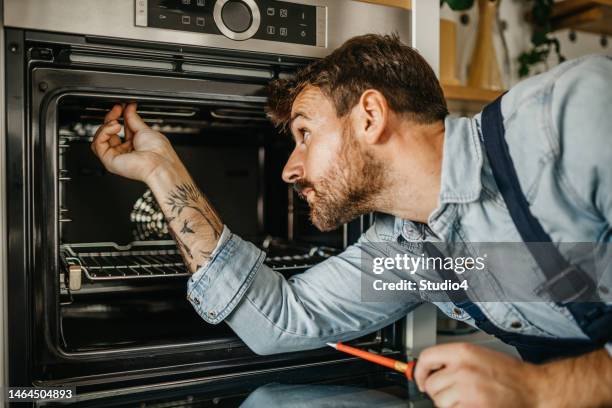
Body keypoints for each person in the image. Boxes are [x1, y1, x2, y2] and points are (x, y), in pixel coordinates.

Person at [91, 34, 612, 407]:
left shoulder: (568, 118)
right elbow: (280, 320)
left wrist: (538, 391)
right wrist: (162, 172)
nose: (291, 170)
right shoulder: (408, 256)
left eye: (304, 134)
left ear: (369, 116)